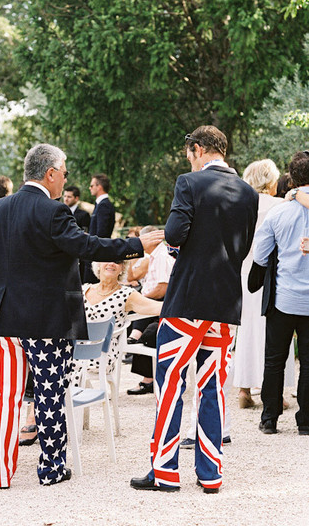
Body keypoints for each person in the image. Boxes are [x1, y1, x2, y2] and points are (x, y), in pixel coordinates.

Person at [0, 143, 163, 488]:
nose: (65, 180)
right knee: (49, 394)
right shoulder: (54, 211)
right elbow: (88, 246)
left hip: (3, 317)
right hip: (45, 320)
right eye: (63, 173)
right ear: (50, 173)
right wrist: (137, 245)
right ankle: (51, 470)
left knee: (4, 395)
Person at [130, 125, 258, 494]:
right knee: (213, 388)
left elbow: (173, 234)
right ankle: (211, 474)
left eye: (189, 153)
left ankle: (165, 472)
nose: (189, 159)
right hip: (225, 303)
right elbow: (244, 245)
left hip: (186, 300)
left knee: (170, 384)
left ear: (198, 149)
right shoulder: (248, 193)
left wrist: (176, 249)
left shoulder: (189, 183)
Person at [21, 259, 163, 446]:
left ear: (122, 268)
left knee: (51, 363)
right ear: (97, 265)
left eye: (117, 262)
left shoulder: (127, 294)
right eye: (106, 260)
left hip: (100, 355)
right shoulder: (84, 289)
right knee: (43, 355)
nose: (111, 264)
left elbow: (157, 308)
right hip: (73, 351)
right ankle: (40, 416)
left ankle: (36, 419)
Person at [254, 151, 309, 436]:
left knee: (274, 360)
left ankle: (269, 418)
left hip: (283, 298)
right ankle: (306, 421)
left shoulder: (279, 212)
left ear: (292, 178)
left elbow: (260, 255)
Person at [234, 160, 295, 409]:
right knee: (273, 330)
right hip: (271, 273)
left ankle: (244, 390)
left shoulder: (239, 206)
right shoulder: (281, 205)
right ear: (270, 181)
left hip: (244, 273)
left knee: (246, 329)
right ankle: (275, 393)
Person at [127, 226, 176, 396]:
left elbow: (163, 289)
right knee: (138, 311)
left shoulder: (161, 256)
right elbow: (130, 277)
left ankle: (134, 338)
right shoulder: (154, 256)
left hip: (163, 304)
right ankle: (133, 337)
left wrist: (142, 298)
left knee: (148, 333)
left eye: (141, 239)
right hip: (156, 303)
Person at [84, 173, 116, 283]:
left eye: (92, 185)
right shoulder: (100, 204)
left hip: (97, 255)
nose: (90, 188)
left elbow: (102, 233)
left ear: (99, 187)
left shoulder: (104, 205)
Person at [63, 185, 91, 281]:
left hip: (78, 255)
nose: (66, 199)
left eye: (69, 197)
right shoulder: (60, 213)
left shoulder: (84, 215)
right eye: (65, 196)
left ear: (76, 198)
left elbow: (85, 234)